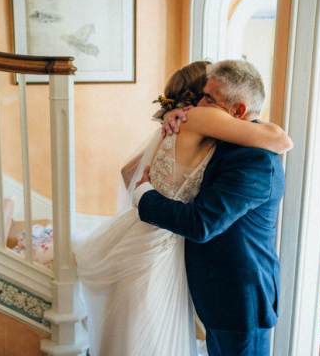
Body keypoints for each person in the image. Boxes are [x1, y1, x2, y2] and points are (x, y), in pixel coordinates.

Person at [75, 60, 291, 356]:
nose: (200, 105)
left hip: (240, 297)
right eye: (201, 96)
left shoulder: (255, 160)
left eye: (209, 99)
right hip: (210, 286)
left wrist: (144, 194)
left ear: (237, 111)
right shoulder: (216, 136)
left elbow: (201, 223)